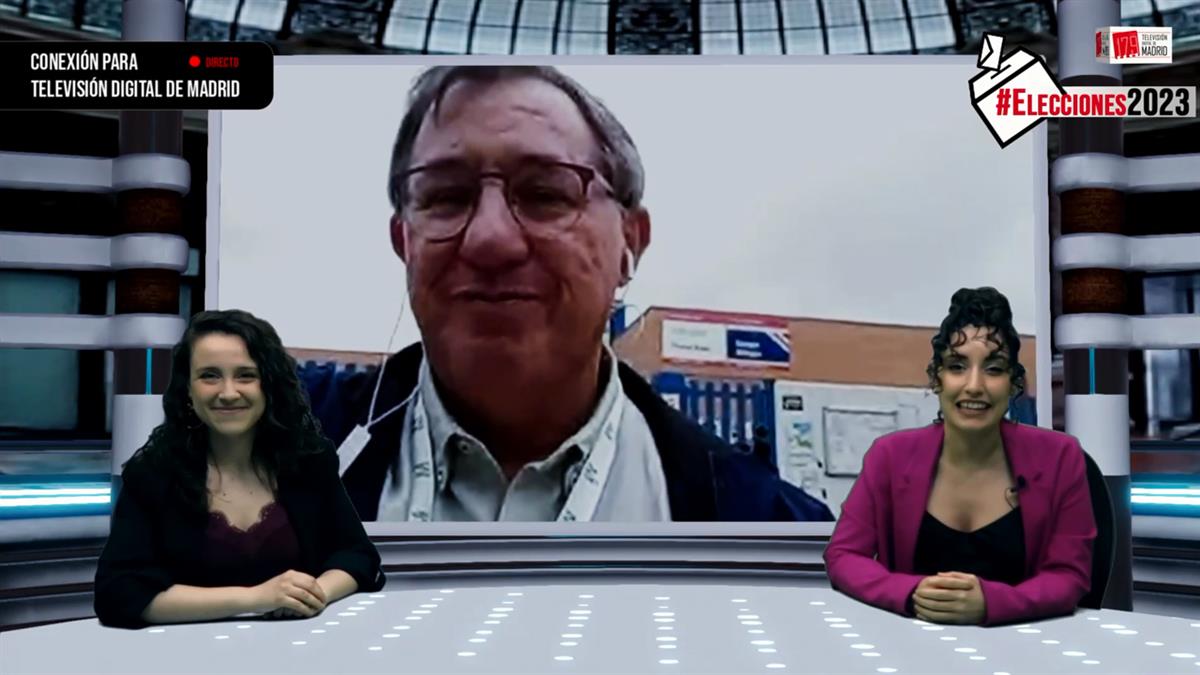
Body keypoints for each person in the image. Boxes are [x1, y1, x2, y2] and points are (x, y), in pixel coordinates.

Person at [312, 65, 831, 522]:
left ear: (630, 242)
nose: (490, 238)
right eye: (446, 196)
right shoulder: (276, 447)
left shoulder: (775, 533)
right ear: (403, 241)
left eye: (545, 193)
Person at [94, 310, 384, 629]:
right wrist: (256, 598)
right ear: (187, 389)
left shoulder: (308, 462)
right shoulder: (153, 475)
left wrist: (311, 595)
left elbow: (358, 556)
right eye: (210, 376)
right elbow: (118, 593)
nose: (229, 393)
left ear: (268, 385)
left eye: (246, 375)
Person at [823, 287, 1096, 625]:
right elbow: (844, 555)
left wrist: (992, 603)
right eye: (957, 366)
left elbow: (1070, 576)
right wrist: (909, 592)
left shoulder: (1060, 457)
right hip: (910, 646)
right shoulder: (889, 456)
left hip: (1025, 646)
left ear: (1013, 384)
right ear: (936, 378)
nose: (974, 385)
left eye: (993, 369)